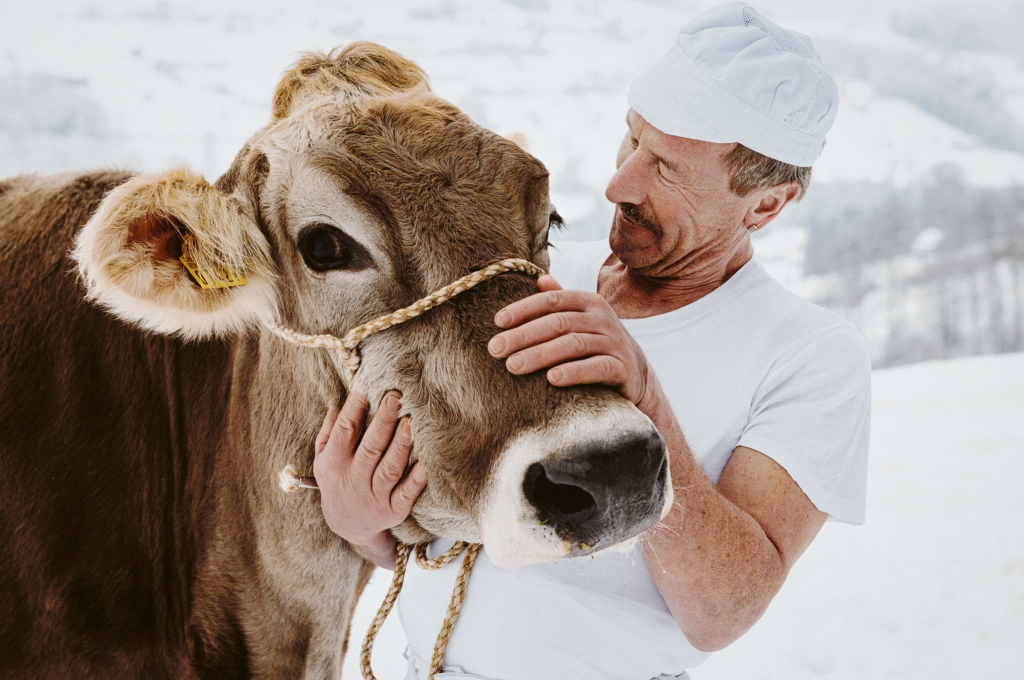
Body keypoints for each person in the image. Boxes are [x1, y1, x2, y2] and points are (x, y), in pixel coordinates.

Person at [313, 3, 871, 678]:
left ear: (766, 204)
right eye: (631, 141)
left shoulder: (808, 354)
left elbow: (724, 612)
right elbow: (438, 530)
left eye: (666, 168)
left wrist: (642, 396)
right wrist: (360, 518)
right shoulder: (529, 276)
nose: (619, 183)